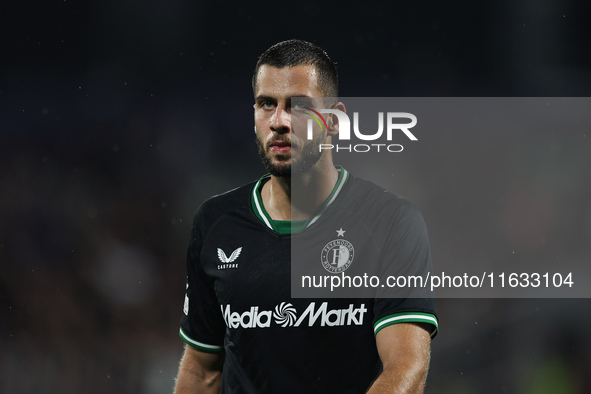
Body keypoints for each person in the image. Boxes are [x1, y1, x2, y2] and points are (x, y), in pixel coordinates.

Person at [174, 39, 438, 394]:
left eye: (298, 106)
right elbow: (202, 371)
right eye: (267, 104)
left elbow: (406, 366)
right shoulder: (216, 222)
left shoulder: (390, 221)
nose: (279, 121)